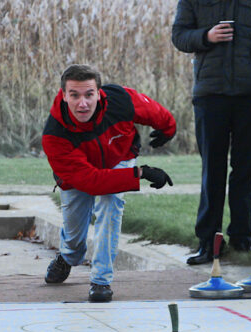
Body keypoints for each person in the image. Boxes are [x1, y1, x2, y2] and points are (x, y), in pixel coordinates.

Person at [42, 64, 175, 302]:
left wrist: (168, 128)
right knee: (74, 235)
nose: (83, 103)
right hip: (79, 176)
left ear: (99, 93)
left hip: (119, 157)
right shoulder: (55, 134)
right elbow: (92, 181)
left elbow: (154, 111)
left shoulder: (121, 100)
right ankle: (68, 257)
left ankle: (101, 281)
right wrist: (141, 173)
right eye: (74, 95)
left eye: (88, 94)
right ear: (64, 95)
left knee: (111, 203)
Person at [172, 0, 251, 265]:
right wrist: (207, 36)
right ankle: (208, 242)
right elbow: (179, 36)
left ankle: (241, 238)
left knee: (245, 170)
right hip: (210, 95)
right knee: (212, 170)